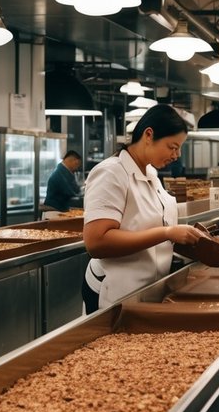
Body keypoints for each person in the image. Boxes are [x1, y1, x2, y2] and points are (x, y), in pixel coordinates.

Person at [81, 105, 204, 314]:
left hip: (147, 291)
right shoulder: (111, 173)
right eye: (172, 147)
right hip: (114, 293)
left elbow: (151, 230)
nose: (177, 155)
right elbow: (96, 242)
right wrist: (167, 233)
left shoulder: (151, 175)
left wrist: (189, 239)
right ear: (149, 135)